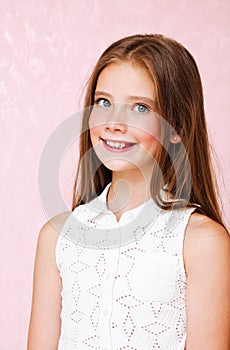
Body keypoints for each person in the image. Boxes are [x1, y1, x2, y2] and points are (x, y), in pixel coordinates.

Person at [27, 34, 230, 350]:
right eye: (104, 102)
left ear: (176, 126)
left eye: (140, 107)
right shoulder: (58, 237)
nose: (114, 123)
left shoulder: (201, 242)